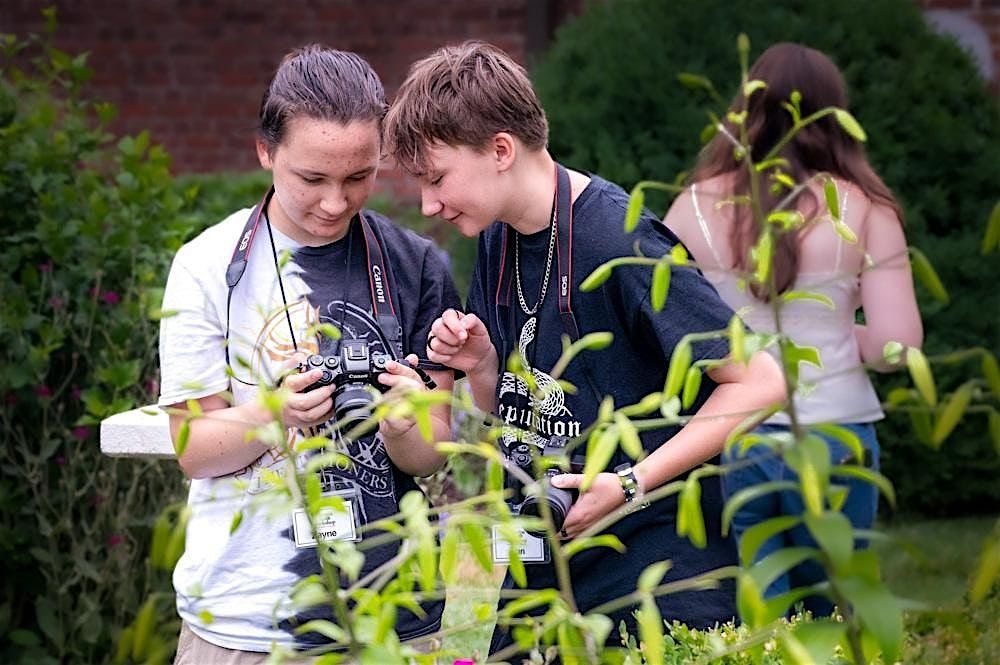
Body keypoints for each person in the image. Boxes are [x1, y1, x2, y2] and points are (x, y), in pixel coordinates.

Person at [384, 40, 786, 655]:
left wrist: (630, 483)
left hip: (656, 577)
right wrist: (485, 366)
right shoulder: (497, 240)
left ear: (499, 150)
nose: (427, 204)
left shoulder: (618, 237)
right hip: (544, 566)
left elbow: (760, 381)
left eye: (437, 178)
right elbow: (523, 413)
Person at [158, 45, 461, 662]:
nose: (335, 202)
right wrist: (273, 413)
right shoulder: (208, 268)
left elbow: (429, 454)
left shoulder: (416, 265)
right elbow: (193, 449)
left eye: (358, 178)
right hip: (245, 619)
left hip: (387, 614)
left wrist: (405, 421)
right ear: (266, 152)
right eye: (312, 179)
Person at [662, 42, 923, 615]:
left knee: (759, 615)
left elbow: (674, 331)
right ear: (834, 114)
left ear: (743, 109)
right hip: (837, 432)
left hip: (735, 433)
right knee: (840, 608)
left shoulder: (690, 208)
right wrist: (835, 331)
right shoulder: (867, 208)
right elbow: (897, 347)